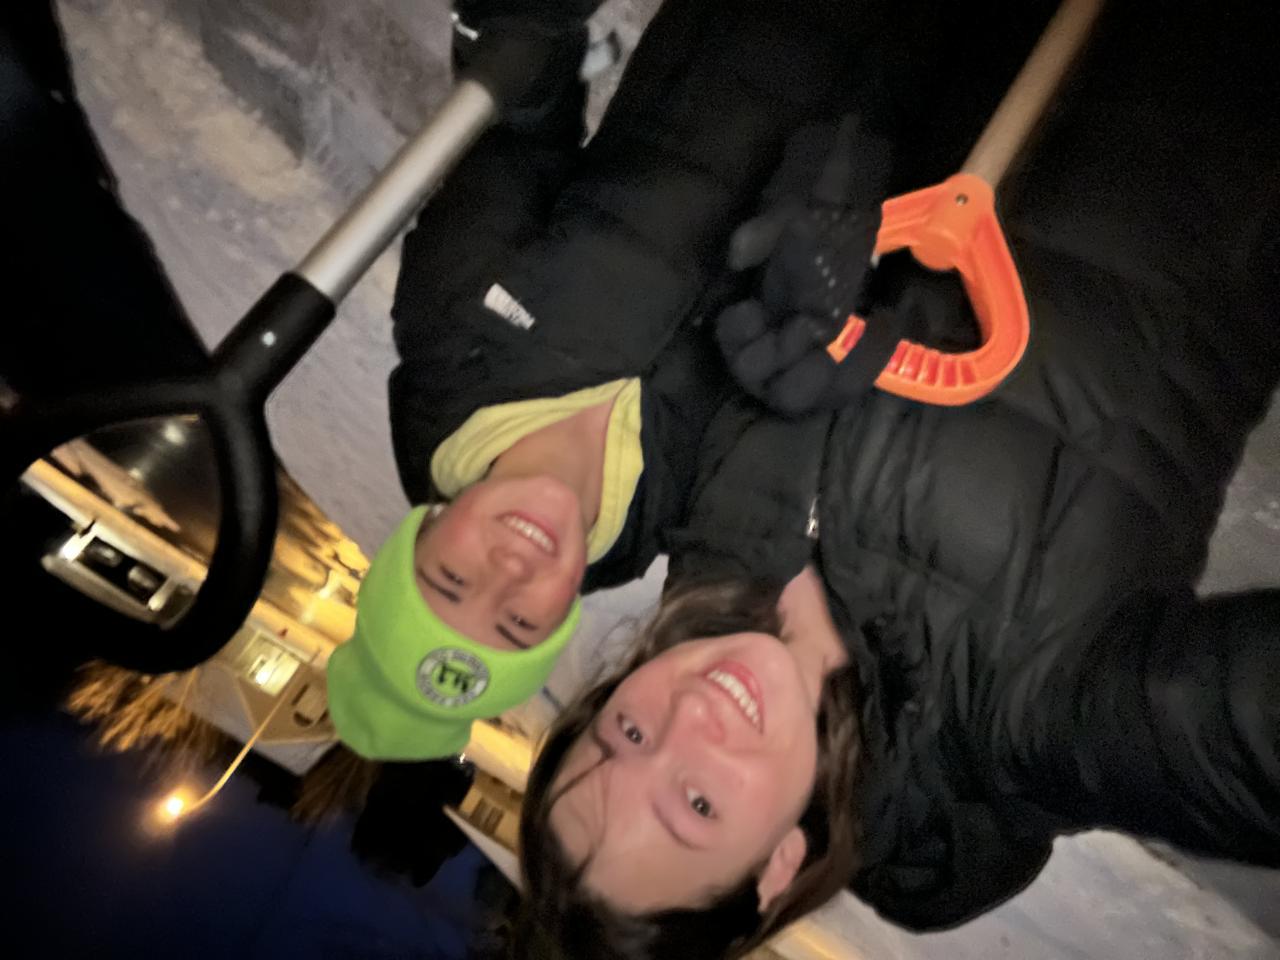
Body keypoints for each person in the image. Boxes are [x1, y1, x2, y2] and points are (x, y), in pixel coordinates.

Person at [511, 1, 1280, 956]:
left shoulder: (708, 546)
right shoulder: (1009, 742)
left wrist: (815, 219)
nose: (688, 715)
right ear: (774, 869)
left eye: (625, 737)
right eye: (697, 803)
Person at [324, 0, 879, 763]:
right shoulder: (686, 522)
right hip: (915, 146)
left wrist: (518, 32)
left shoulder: (450, 331)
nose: (508, 573)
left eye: (451, 580)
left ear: (421, 532)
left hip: (750, 36)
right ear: (559, 625)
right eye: (519, 624)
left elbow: (520, 138)